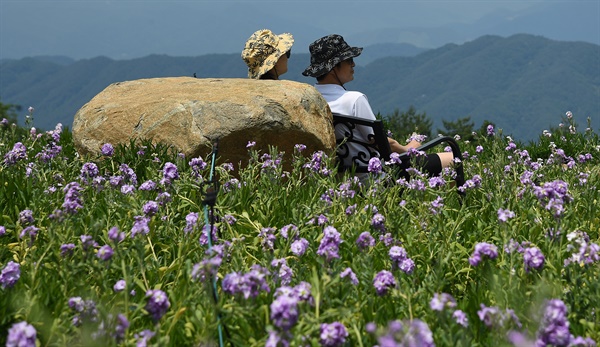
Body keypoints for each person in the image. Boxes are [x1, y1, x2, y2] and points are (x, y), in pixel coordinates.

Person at [302, 34, 455, 181]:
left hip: (335, 178)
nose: (353, 64)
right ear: (334, 67)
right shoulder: (354, 99)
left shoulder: (309, 99)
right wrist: (409, 149)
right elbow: (380, 141)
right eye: (349, 60)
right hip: (373, 177)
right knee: (453, 158)